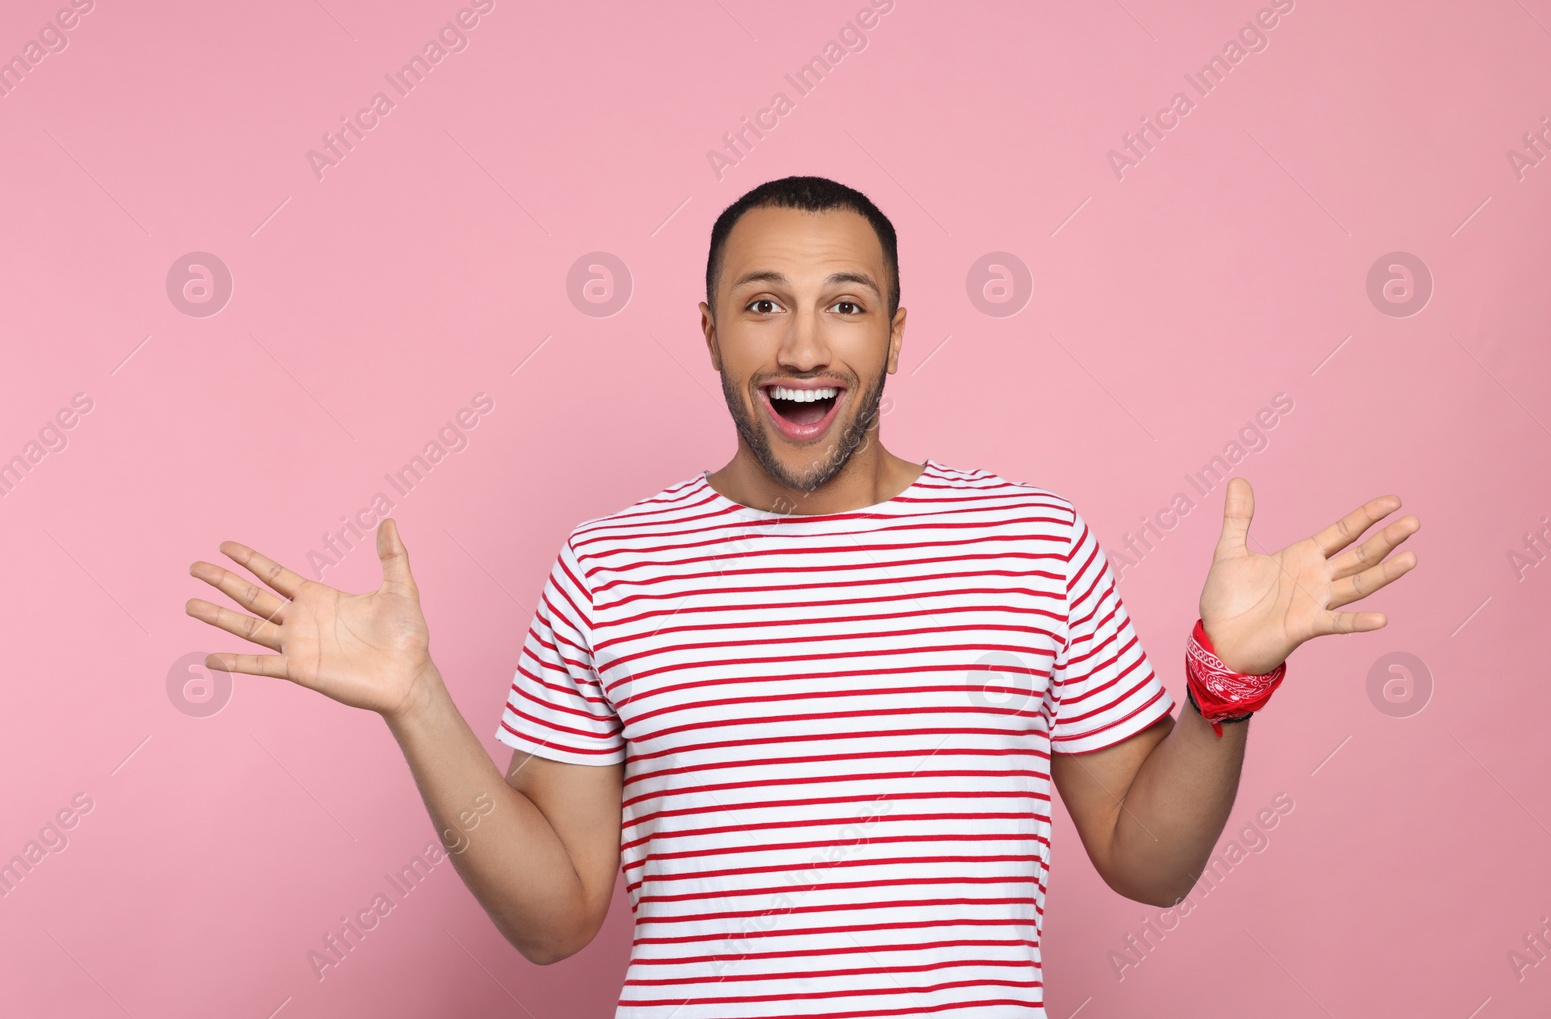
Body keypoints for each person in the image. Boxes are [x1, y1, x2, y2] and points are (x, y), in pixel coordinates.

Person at [185, 175, 1420, 1016]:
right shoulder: (608, 564)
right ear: (712, 329)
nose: (802, 346)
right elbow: (555, 916)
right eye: (762, 303)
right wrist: (415, 701)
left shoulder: (1031, 542)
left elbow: (1146, 864)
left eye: (845, 305)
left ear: (894, 333)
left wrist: (1225, 682)